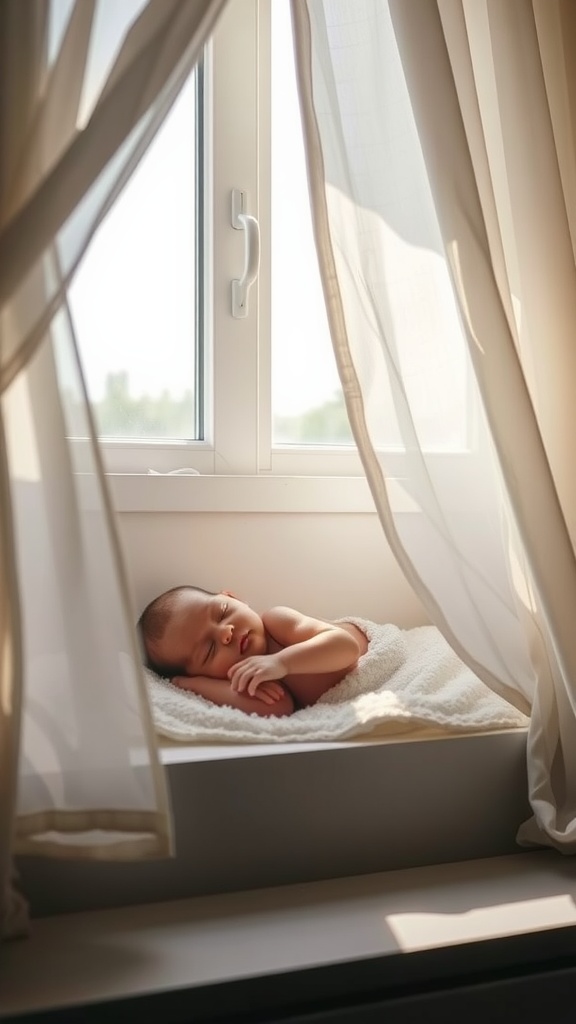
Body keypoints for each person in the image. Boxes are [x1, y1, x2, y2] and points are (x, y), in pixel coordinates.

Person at [138, 585, 368, 718]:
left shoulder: (276, 623)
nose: (225, 633)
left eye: (222, 613)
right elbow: (279, 708)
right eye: (209, 649)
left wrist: (282, 663)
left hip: (365, 646)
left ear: (231, 597)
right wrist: (192, 685)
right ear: (206, 674)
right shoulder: (245, 674)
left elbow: (346, 647)